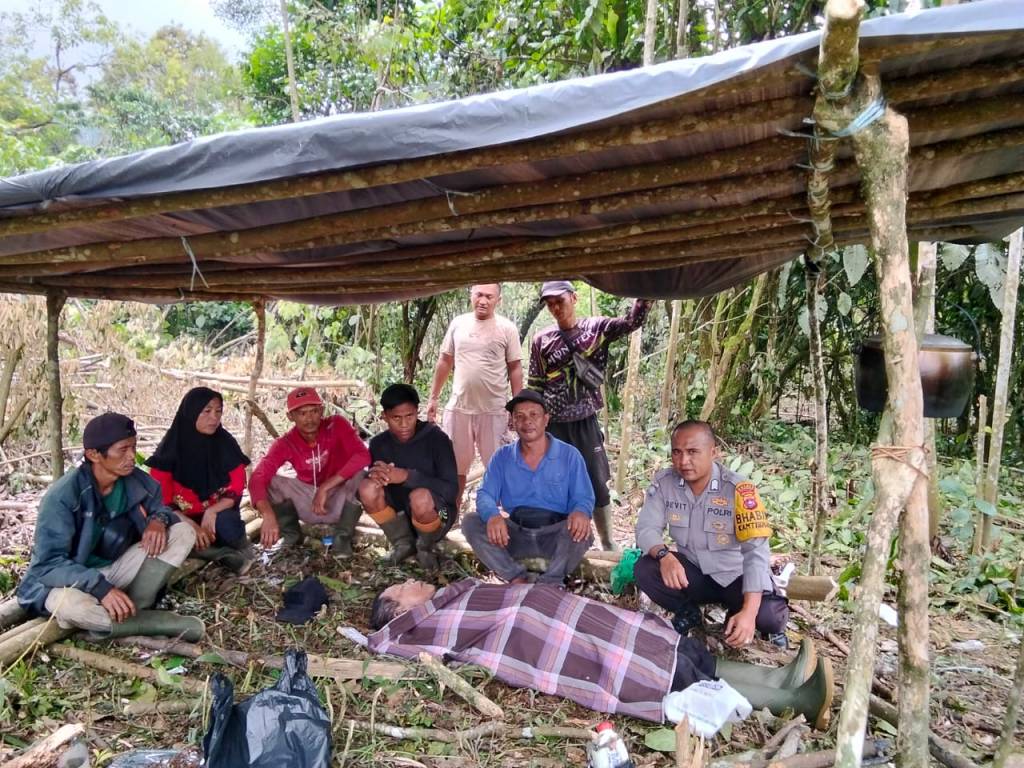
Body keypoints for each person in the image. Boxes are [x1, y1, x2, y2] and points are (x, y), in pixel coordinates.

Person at [367, 578, 834, 729]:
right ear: (401, 609)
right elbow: (389, 640)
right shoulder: (429, 620)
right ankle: (797, 701)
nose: (413, 583)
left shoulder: (451, 594)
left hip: (566, 612)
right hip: (546, 635)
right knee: (670, 673)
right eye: (403, 588)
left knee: (677, 651)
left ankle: (779, 681)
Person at [16, 412, 203, 641]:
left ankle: (134, 607)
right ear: (94, 454)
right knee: (73, 608)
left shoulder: (138, 481)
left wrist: (159, 520)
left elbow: (161, 509)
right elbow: (47, 565)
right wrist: (99, 588)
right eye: (123, 450)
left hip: (115, 569)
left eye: (134, 447)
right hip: (71, 581)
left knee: (183, 532)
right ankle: (153, 622)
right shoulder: (63, 497)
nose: (132, 457)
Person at [634, 420, 790, 649]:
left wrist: (749, 611)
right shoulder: (665, 483)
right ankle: (688, 613)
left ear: (714, 452)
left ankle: (743, 616)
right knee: (645, 568)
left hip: (735, 577)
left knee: (769, 617)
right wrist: (665, 556)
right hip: (695, 575)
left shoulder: (739, 490)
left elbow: (756, 553)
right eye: (677, 452)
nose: (684, 461)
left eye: (693, 452)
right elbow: (646, 529)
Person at [528, 280, 653, 551]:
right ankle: (567, 543)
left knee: (596, 482)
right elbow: (535, 385)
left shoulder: (595, 329)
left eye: (559, 301)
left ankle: (608, 543)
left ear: (574, 298)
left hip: (585, 422)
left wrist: (648, 290)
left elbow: (632, 322)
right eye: (550, 304)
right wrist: (531, 424)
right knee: (556, 484)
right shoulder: (542, 340)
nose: (555, 308)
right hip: (554, 426)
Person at [462, 389, 594, 585]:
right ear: (513, 422)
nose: (527, 421)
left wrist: (581, 511)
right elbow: (485, 494)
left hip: (555, 537)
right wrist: (492, 515)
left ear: (546, 419)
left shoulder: (570, 455)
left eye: (534, 415)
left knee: (582, 531)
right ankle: (516, 578)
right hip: (514, 536)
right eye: (520, 416)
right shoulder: (502, 457)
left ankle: (550, 583)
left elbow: (584, 498)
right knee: (471, 522)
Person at [426, 284, 523, 510]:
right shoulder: (458, 323)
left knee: (499, 467)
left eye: (489, 296)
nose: (483, 300)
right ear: (471, 294)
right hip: (459, 407)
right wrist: (433, 398)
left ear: (498, 300)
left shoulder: (506, 328)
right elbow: (445, 361)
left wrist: (517, 406)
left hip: (494, 410)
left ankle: (504, 520)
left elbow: (515, 368)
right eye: (479, 295)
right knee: (454, 468)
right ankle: (451, 516)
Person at [249, 387, 370, 556]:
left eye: (314, 411)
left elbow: (363, 456)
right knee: (272, 481)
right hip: (308, 503)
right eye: (301, 413)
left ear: (321, 410)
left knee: (361, 475)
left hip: (340, 501)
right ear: (290, 416)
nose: (309, 419)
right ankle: (291, 535)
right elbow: (257, 478)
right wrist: (268, 515)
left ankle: (342, 537)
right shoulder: (285, 443)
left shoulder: (336, 425)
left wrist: (325, 487)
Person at [146, 387, 254, 575]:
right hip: (180, 517)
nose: (214, 417)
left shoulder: (224, 442)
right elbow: (161, 500)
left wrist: (212, 510)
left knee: (227, 524)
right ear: (191, 412)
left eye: (218, 411)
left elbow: (237, 486)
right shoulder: (169, 451)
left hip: (217, 514)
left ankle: (234, 549)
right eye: (207, 411)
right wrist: (192, 525)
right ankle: (219, 554)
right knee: (175, 534)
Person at [357, 383, 458, 569]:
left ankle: (426, 546)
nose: (404, 424)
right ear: (384, 416)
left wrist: (406, 476)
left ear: (417, 412)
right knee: (367, 488)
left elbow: (451, 491)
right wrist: (378, 476)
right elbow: (377, 487)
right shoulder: (379, 444)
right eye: (396, 418)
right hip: (402, 515)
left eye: (409, 416)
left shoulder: (437, 439)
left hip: (442, 515)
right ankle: (403, 543)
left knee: (420, 497)